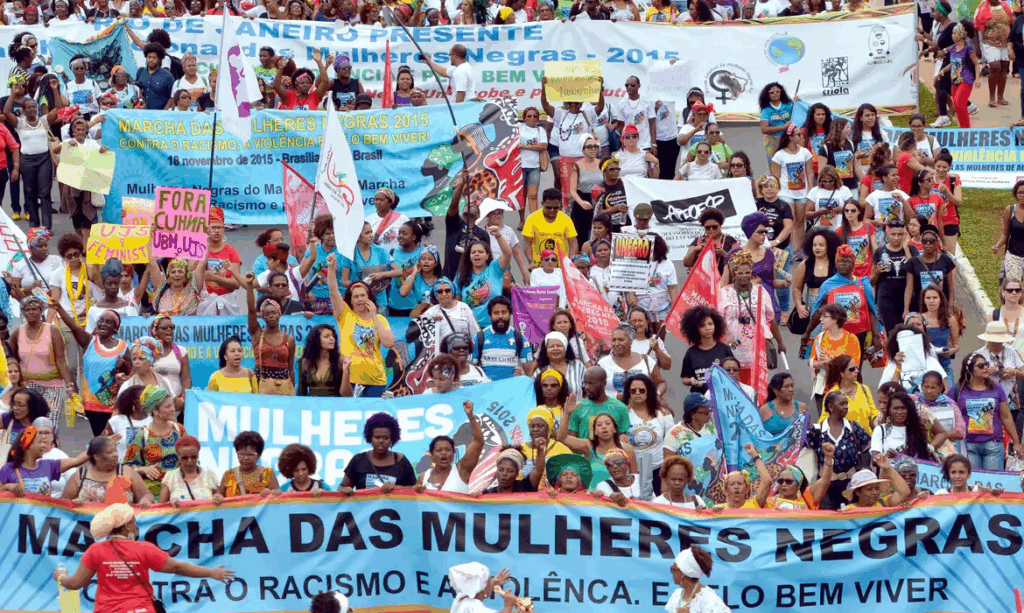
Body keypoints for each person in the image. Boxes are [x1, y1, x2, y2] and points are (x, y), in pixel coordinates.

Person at [54, 504, 234, 608]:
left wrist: (60, 576)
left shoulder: (95, 551)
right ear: (126, 526)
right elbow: (178, 567)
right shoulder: (144, 549)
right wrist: (211, 572)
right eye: (133, 520)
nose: (135, 524)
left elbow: (75, 583)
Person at [51, 301, 129, 437]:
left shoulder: (123, 347)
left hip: (115, 404)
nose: (103, 324)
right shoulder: (89, 342)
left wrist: (123, 366)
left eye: (108, 322)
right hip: (92, 404)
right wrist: (59, 308)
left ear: (115, 328)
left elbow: (131, 372)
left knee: (114, 439)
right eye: (101, 321)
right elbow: (73, 326)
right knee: (99, 439)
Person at [328, 256, 395, 397]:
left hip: (376, 380)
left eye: (363, 295)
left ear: (369, 297)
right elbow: (333, 292)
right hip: (350, 378)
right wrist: (331, 268)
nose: (360, 299)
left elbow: (389, 343)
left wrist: (374, 316)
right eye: (356, 296)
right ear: (350, 300)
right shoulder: (345, 315)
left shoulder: (380, 319)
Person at [804, 244, 883, 362]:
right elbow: (819, 312)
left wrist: (876, 336)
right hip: (834, 336)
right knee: (834, 367)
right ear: (836, 263)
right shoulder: (828, 285)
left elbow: (870, 310)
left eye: (847, 261)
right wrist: (808, 332)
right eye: (840, 261)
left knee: (854, 368)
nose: (843, 264)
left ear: (854, 263)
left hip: (859, 336)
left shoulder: (862, 284)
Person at [719, 251, 785, 384]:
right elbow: (718, 320)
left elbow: (770, 318)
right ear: (733, 273)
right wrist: (727, 335)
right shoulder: (724, 293)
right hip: (734, 347)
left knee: (757, 386)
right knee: (736, 383)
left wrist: (780, 342)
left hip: (757, 347)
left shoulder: (761, 291)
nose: (744, 276)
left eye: (747, 272)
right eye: (740, 273)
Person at [10, 296, 74, 431]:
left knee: (50, 423)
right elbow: (12, 359)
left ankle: (51, 444)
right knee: (30, 424)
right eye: (27, 310)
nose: (31, 312)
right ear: (23, 312)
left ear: (41, 311)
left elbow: (61, 360)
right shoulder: (18, 332)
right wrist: (17, 382)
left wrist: (69, 386)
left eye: (34, 309)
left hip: (52, 384)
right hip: (28, 385)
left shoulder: (52, 331)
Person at [804, 390, 872, 509]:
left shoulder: (854, 427)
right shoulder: (816, 431)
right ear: (830, 407)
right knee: (828, 517)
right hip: (826, 487)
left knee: (851, 515)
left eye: (846, 404)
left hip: (851, 486)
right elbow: (804, 454)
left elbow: (868, 450)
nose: (846, 407)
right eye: (842, 404)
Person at [955, 351, 1022, 470]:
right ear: (970, 370)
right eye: (981, 366)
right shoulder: (958, 390)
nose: (986, 368)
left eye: (986, 364)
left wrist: (1016, 443)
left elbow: (1006, 417)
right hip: (968, 446)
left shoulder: (996, 388)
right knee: (973, 481)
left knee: (993, 480)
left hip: (993, 446)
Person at [3, 84, 58, 228]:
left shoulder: (44, 121)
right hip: (27, 161)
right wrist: (13, 94)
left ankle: (46, 227)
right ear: (23, 110)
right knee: (30, 192)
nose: (32, 109)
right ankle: (34, 225)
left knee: (45, 193)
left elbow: (58, 109)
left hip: (44, 160)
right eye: (29, 107)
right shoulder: (19, 123)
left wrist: (54, 90)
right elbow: (6, 111)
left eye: (34, 107)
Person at [123, 386, 186, 496]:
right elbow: (127, 467)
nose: (173, 409)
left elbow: (191, 453)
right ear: (155, 411)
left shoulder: (179, 429)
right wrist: (143, 470)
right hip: (154, 492)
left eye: (172, 405)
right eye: (168, 406)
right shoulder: (142, 435)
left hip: (179, 488)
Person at [62, 435, 153, 505]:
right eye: (109, 452)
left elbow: (147, 495)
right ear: (96, 456)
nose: (115, 455)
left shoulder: (126, 472)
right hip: (88, 523)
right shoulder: (81, 475)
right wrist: (75, 503)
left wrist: (145, 500)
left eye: (115, 451)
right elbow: (64, 503)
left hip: (123, 523)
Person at [722, 212, 780, 320]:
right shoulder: (735, 254)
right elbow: (724, 283)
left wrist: (784, 283)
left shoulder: (769, 254)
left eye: (765, 232)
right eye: (760, 232)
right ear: (750, 233)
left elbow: (772, 282)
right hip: (743, 306)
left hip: (767, 304)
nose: (764, 235)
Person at [415, 401, 483, 493]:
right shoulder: (423, 477)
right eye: (439, 450)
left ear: (453, 453)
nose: (444, 453)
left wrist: (471, 417)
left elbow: (478, 441)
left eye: (448, 450)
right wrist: (416, 490)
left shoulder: (461, 470)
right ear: (431, 454)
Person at [622, 373, 673, 494]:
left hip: (659, 469)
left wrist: (668, 469)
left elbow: (672, 441)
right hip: (634, 471)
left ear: (648, 391)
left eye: (641, 390)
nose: (637, 393)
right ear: (628, 393)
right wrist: (619, 436)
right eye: (633, 391)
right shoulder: (623, 414)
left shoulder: (663, 413)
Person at [341, 412, 416, 492]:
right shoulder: (358, 460)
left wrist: (396, 488)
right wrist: (345, 490)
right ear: (370, 438)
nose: (381, 441)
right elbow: (342, 487)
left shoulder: (401, 461)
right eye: (377, 437)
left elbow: (414, 490)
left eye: (385, 438)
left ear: (392, 439)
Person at [0, 426, 88, 495]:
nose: (44, 446)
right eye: (40, 442)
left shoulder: (48, 466)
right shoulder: (8, 469)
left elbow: (77, 460)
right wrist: (7, 487)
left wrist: (94, 446)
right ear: (28, 445)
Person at [455, 230, 512, 328]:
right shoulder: (461, 276)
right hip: (471, 327)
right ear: (469, 257)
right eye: (473, 252)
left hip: (494, 326)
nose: (476, 254)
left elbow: (508, 254)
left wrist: (498, 236)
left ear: (487, 256)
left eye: (480, 252)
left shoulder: (494, 268)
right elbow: (456, 304)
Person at [871, 219, 918, 333]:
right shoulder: (879, 251)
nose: (896, 238)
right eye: (893, 234)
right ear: (888, 233)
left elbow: (915, 270)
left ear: (904, 234)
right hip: (886, 298)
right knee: (892, 332)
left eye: (900, 234)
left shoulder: (911, 249)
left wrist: (906, 248)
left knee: (909, 332)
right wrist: (877, 272)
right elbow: (872, 282)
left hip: (907, 298)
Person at [770, 125, 813, 250]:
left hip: (802, 192)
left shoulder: (805, 152)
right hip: (785, 192)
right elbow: (775, 175)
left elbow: (809, 172)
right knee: (790, 220)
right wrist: (776, 193)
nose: (801, 136)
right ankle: (789, 248)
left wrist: (811, 191)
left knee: (800, 220)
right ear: (790, 137)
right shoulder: (779, 155)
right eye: (798, 134)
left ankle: (797, 249)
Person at [473, 296, 533, 380]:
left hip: (511, 387)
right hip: (487, 387)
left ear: (510, 314)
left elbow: (530, 374)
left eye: (504, 312)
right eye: (496, 313)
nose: (500, 316)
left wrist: (522, 375)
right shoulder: (479, 337)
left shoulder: (520, 338)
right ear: (490, 315)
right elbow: (471, 371)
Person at [522, 188, 579, 267]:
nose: (552, 210)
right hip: (539, 267)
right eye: (548, 207)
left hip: (560, 268)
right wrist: (531, 261)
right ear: (542, 204)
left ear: (560, 204)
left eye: (556, 207)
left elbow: (573, 243)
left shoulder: (566, 220)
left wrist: (569, 263)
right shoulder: (532, 219)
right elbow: (527, 244)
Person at [158, 435, 222, 505]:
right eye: (185, 458)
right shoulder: (170, 476)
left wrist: (218, 498)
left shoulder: (210, 475)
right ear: (178, 457)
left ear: (198, 455)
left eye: (193, 457)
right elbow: (160, 506)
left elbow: (220, 500)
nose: (189, 461)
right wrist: (170, 503)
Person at [938, 23, 980, 127]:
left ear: (961, 35)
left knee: (959, 103)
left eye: (954, 33)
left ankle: (966, 129)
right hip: (955, 80)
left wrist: (977, 79)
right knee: (957, 106)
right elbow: (953, 63)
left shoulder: (968, 49)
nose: (952, 35)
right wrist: (943, 70)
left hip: (965, 80)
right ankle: (963, 128)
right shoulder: (953, 48)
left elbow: (976, 63)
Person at [423, 277, 479, 353]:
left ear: (452, 292)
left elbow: (475, 333)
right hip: (442, 355)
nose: (444, 294)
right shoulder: (430, 312)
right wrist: (431, 322)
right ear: (436, 295)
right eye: (440, 292)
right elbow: (423, 338)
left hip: (462, 352)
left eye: (447, 290)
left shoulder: (464, 307)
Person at [221, 430, 280, 497]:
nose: (246, 458)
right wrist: (218, 497)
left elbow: (277, 499)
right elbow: (219, 497)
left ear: (258, 455)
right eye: (242, 454)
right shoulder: (228, 475)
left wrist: (270, 493)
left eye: (250, 454)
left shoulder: (268, 474)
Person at [842, 455, 912, 508]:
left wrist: (888, 468)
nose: (875, 493)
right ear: (857, 492)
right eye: (869, 489)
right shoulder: (848, 511)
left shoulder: (884, 503)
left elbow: (905, 493)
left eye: (877, 488)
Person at [663, 393, 717, 458]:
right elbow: (669, 462)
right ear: (692, 414)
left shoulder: (712, 423)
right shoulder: (674, 434)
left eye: (710, 410)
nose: (710, 414)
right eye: (706, 412)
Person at [758, 82, 795, 168]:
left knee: (791, 163)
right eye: (772, 92)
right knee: (775, 165)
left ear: (781, 92)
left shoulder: (788, 105)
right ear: (767, 95)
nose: (775, 94)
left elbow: (798, 116)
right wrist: (783, 127)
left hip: (788, 139)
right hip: (773, 141)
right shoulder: (766, 110)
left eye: (777, 91)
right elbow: (764, 129)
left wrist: (798, 102)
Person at [135, 43, 175, 111]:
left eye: (154, 58)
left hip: (159, 114)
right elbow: (136, 91)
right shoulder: (140, 72)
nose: (151, 60)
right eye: (149, 57)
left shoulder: (168, 76)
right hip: (141, 113)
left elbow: (172, 98)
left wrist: (164, 112)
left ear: (159, 59)